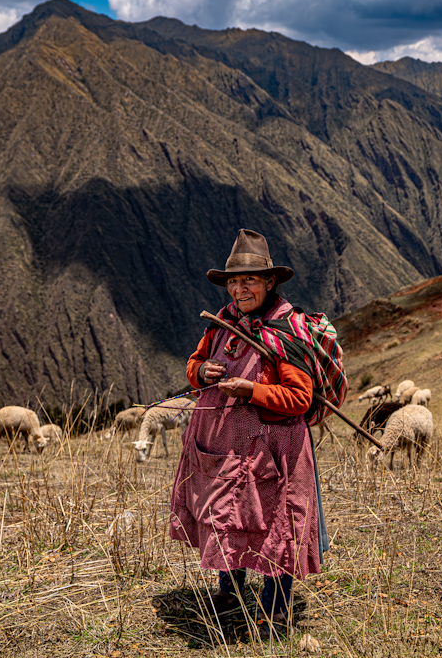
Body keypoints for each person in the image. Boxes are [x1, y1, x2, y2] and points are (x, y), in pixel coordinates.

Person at [168, 228, 334, 637]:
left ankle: (275, 610)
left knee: (278, 528)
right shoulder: (222, 323)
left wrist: (251, 390)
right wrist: (201, 371)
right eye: (234, 281)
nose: (240, 289)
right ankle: (230, 592)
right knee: (228, 518)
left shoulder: (285, 331)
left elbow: (298, 397)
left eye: (250, 280)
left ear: (270, 281)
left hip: (272, 456)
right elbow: (194, 364)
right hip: (221, 450)